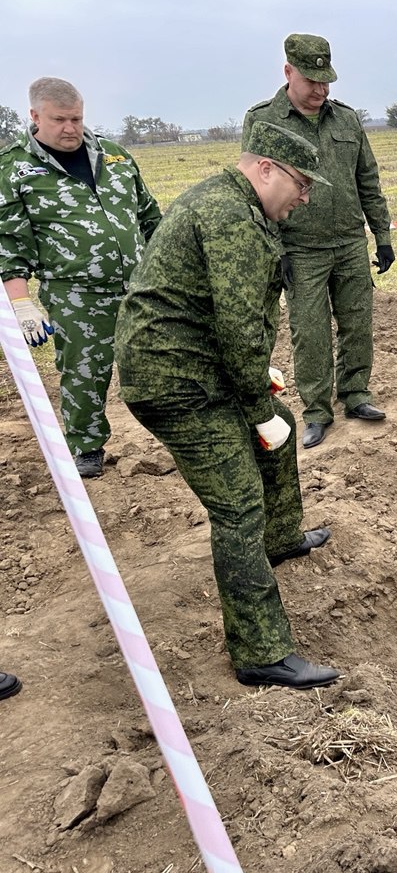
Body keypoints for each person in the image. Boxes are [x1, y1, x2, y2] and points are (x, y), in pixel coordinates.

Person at [114, 121, 340, 689]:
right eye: (302, 183)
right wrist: (251, 397)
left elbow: (214, 311)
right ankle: (260, 650)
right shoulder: (232, 215)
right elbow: (239, 323)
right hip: (174, 382)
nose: (306, 196)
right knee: (238, 503)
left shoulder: (231, 203)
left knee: (279, 425)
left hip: (195, 361)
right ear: (266, 169)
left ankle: (282, 538)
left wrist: (257, 387)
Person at [0, 77, 162, 478]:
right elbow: (10, 245)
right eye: (60, 120)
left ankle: (178, 436)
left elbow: (150, 218)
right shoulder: (14, 169)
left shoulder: (115, 155)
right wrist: (21, 304)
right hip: (77, 295)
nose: (71, 128)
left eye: (77, 118)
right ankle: (87, 447)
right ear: (35, 116)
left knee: (161, 365)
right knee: (85, 372)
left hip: (141, 286)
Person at [242, 33, 395, 450]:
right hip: (300, 247)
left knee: (357, 322)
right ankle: (316, 412)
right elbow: (254, 190)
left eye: (326, 81)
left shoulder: (346, 119)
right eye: (312, 81)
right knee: (309, 333)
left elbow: (368, 178)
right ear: (289, 71)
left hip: (348, 241)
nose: (320, 90)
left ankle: (357, 394)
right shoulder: (263, 120)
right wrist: (276, 249)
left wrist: (381, 234)